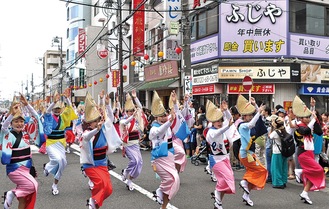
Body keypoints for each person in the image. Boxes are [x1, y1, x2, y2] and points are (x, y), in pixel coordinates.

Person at [1, 94, 45, 209]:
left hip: (27, 168)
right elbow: (4, 127)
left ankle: (14, 195)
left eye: (21, 121)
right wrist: (11, 113)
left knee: (24, 200)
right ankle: (12, 193)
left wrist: (27, 105)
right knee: (33, 185)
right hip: (15, 169)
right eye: (16, 121)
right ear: (11, 123)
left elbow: (36, 117)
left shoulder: (26, 133)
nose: (19, 124)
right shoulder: (8, 134)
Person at [80, 91, 121, 209]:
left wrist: (107, 105)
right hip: (91, 166)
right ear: (88, 123)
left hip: (102, 164)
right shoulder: (87, 133)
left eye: (98, 119)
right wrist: (96, 130)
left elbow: (111, 119)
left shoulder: (103, 128)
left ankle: (93, 204)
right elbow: (87, 137)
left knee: (108, 189)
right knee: (99, 184)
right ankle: (93, 202)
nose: (97, 122)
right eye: (94, 121)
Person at [42, 89, 78, 195]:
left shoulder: (63, 117)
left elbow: (70, 108)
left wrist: (67, 98)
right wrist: (53, 102)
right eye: (55, 108)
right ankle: (48, 167)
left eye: (59, 108)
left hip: (61, 143)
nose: (57, 110)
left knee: (63, 162)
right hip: (51, 144)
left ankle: (55, 184)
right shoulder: (49, 117)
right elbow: (47, 112)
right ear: (53, 109)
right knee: (57, 159)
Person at [291, 96, 325, 205]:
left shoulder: (309, 124)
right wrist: (314, 120)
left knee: (313, 174)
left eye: (309, 117)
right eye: (306, 117)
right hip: (303, 154)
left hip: (310, 153)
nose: (309, 118)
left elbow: (319, 132)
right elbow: (306, 130)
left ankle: (305, 193)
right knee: (319, 170)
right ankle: (300, 172)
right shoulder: (299, 126)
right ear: (301, 118)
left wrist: (314, 112)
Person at [149, 90, 180, 209]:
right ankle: (159, 190)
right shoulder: (153, 129)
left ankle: (164, 206)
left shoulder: (168, 124)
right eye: (160, 116)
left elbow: (177, 119)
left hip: (170, 157)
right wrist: (168, 122)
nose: (163, 118)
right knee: (173, 179)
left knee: (174, 183)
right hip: (159, 159)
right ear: (156, 117)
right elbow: (158, 131)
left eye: (164, 115)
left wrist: (174, 103)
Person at [236, 95, 267, 207]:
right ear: (245, 116)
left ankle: (246, 195)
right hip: (246, 154)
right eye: (250, 114)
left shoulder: (249, 125)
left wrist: (255, 106)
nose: (252, 116)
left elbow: (258, 120)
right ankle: (244, 182)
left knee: (253, 172)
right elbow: (252, 123)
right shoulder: (242, 125)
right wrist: (258, 111)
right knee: (261, 170)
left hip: (249, 154)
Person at [205, 99, 234, 209]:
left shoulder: (222, 128)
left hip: (225, 158)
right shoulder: (211, 132)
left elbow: (230, 120)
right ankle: (217, 195)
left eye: (221, 120)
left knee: (226, 181)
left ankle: (218, 203)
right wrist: (227, 126)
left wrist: (226, 111)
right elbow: (218, 132)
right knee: (226, 179)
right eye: (217, 120)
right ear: (212, 121)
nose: (220, 122)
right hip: (216, 160)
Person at [120, 89, 148, 191]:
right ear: (126, 111)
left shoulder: (136, 119)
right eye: (129, 111)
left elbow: (140, 108)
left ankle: (129, 178)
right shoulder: (123, 120)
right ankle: (126, 173)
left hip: (136, 144)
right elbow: (126, 122)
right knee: (134, 161)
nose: (131, 112)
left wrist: (135, 98)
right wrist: (132, 116)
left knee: (139, 162)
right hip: (127, 145)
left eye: (132, 110)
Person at [269, 116, 288, 189]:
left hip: (277, 151)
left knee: (276, 168)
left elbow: (270, 136)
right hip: (284, 151)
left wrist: (272, 128)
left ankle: (278, 183)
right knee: (283, 167)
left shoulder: (275, 132)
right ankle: (283, 181)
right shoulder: (285, 131)